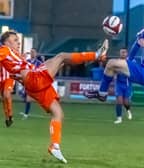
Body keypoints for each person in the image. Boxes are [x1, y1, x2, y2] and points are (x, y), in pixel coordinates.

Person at [0, 30, 108, 164]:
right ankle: (96, 55)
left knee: (58, 113)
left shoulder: (14, 56)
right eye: (15, 40)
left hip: (34, 83)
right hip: (34, 79)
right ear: (6, 42)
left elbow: (17, 72)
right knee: (61, 56)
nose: (18, 42)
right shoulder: (4, 50)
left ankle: (54, 146)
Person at [85, 10, 144, 162]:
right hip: (142, 69)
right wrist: (129, 61)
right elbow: (138, 43)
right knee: (111, 64)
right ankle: (102, 94)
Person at [20, 48, 43, 119]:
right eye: (31, 52)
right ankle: (26, 113)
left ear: (36, 54)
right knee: (26, 97)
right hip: (27, 82)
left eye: (33, 52)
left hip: (35, 82)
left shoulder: (39, 63)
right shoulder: (27, 61)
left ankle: (26, 114)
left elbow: (42, 71)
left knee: (29, 98)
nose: (32, 53)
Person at [114, 48, 132, 124]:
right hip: (119, 84)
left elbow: (132, 73)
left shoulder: (130, 62)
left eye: (124, 52)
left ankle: (128, 110)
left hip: (127, 84)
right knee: (119, 101)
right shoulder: (116, 62)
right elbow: (114, 71)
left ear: (127, 53)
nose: (123, 54)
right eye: (121, 52)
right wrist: (115, 74)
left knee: (126, 102)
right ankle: (119, 118)